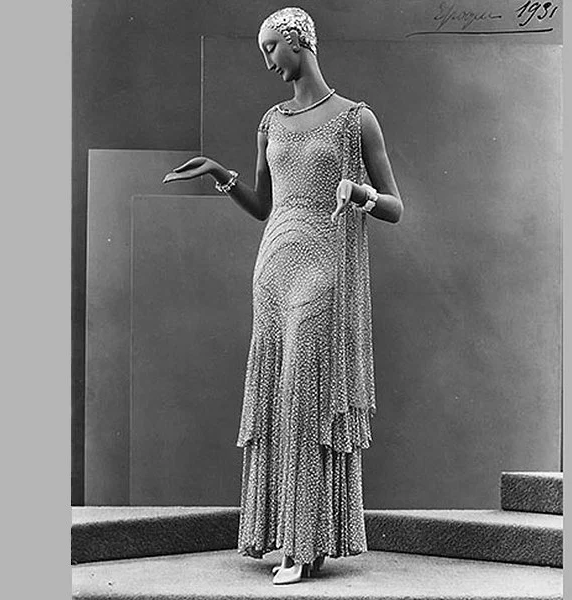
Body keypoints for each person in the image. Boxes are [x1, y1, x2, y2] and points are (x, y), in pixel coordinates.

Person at [163, 6, 403, 585]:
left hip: (323, 267)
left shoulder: (357, 119)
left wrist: (360, 192)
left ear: (298, 42)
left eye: (270, 47)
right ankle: (291, 539)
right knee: (281, 398)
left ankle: (303, 543)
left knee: (304, 396)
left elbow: (395, 207)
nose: (267, 59)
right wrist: (219, 173)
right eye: (263, 50)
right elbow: (265, 206)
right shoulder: (270, 121)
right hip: (272, 269)